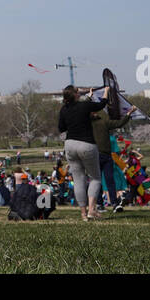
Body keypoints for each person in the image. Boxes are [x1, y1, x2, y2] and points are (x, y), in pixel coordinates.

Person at [57, 84, 108, 221]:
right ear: (75, 94)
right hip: (86, 144)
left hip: (70, 145)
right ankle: (92, 210)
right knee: (95, 178)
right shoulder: (84, 106)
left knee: (78, 180)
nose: (79, 92)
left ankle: (83, 214)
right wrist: (106, 92)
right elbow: (101, 104)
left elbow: (61, 128)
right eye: (77, 91)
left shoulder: (64, 109)